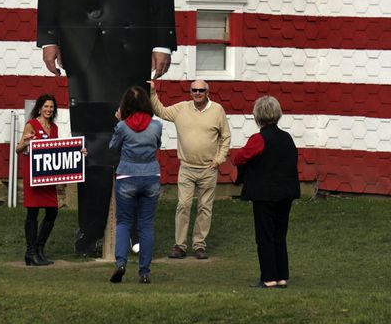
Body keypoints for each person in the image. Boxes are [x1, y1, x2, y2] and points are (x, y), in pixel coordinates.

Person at [37, 0, 177, 256]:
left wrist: (162, 42)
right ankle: (90, 231)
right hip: (79, 46)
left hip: (131, 44)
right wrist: (48, 38)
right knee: (88, 142)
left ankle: (128, 230)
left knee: (129, 138)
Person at [150, 78, 230, 260]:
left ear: (207, 92)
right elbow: (160, 111)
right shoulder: (182, 108)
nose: (197, 93)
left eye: (201, 90)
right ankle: (179, 246)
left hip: (208, 169)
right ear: (190, 91)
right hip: (186, 167)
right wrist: (153, 92)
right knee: (183, 205)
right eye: (194, 90)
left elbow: (225, 137)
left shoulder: (217, 110)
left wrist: (219, 159)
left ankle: (199, 245)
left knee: (205, 208)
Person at [231, 95, 300, 289]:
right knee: (279, 235)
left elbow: (239, 158)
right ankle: (282, 276)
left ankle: (268, 277)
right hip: (286, 192)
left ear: (258, 116)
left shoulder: (258, 139)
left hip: (264, 194)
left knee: (265, 236)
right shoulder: (287, 138)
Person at [107, 85, 163, 284]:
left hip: (127, 177)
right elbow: (157, 145)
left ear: (126, 105)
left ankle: (121, 263)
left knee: (123, 222)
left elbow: (113, 146)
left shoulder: (122, 126)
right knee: (146, 225)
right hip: (151, 176)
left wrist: (119, 121)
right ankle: (144, 272)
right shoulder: (156, 125)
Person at [16, 94, 62, 266]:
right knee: (33, 212)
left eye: (51, 107)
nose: (49, 110)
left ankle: (39, 248)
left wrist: (78, 153)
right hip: (34, 175)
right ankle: (30, 252)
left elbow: (57, 150)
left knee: (52, 211)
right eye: (46, 106)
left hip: (48, 176)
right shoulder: (31, 125)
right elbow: (18, 149)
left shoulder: (54, 128)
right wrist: (26, 143)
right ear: (40, 107)